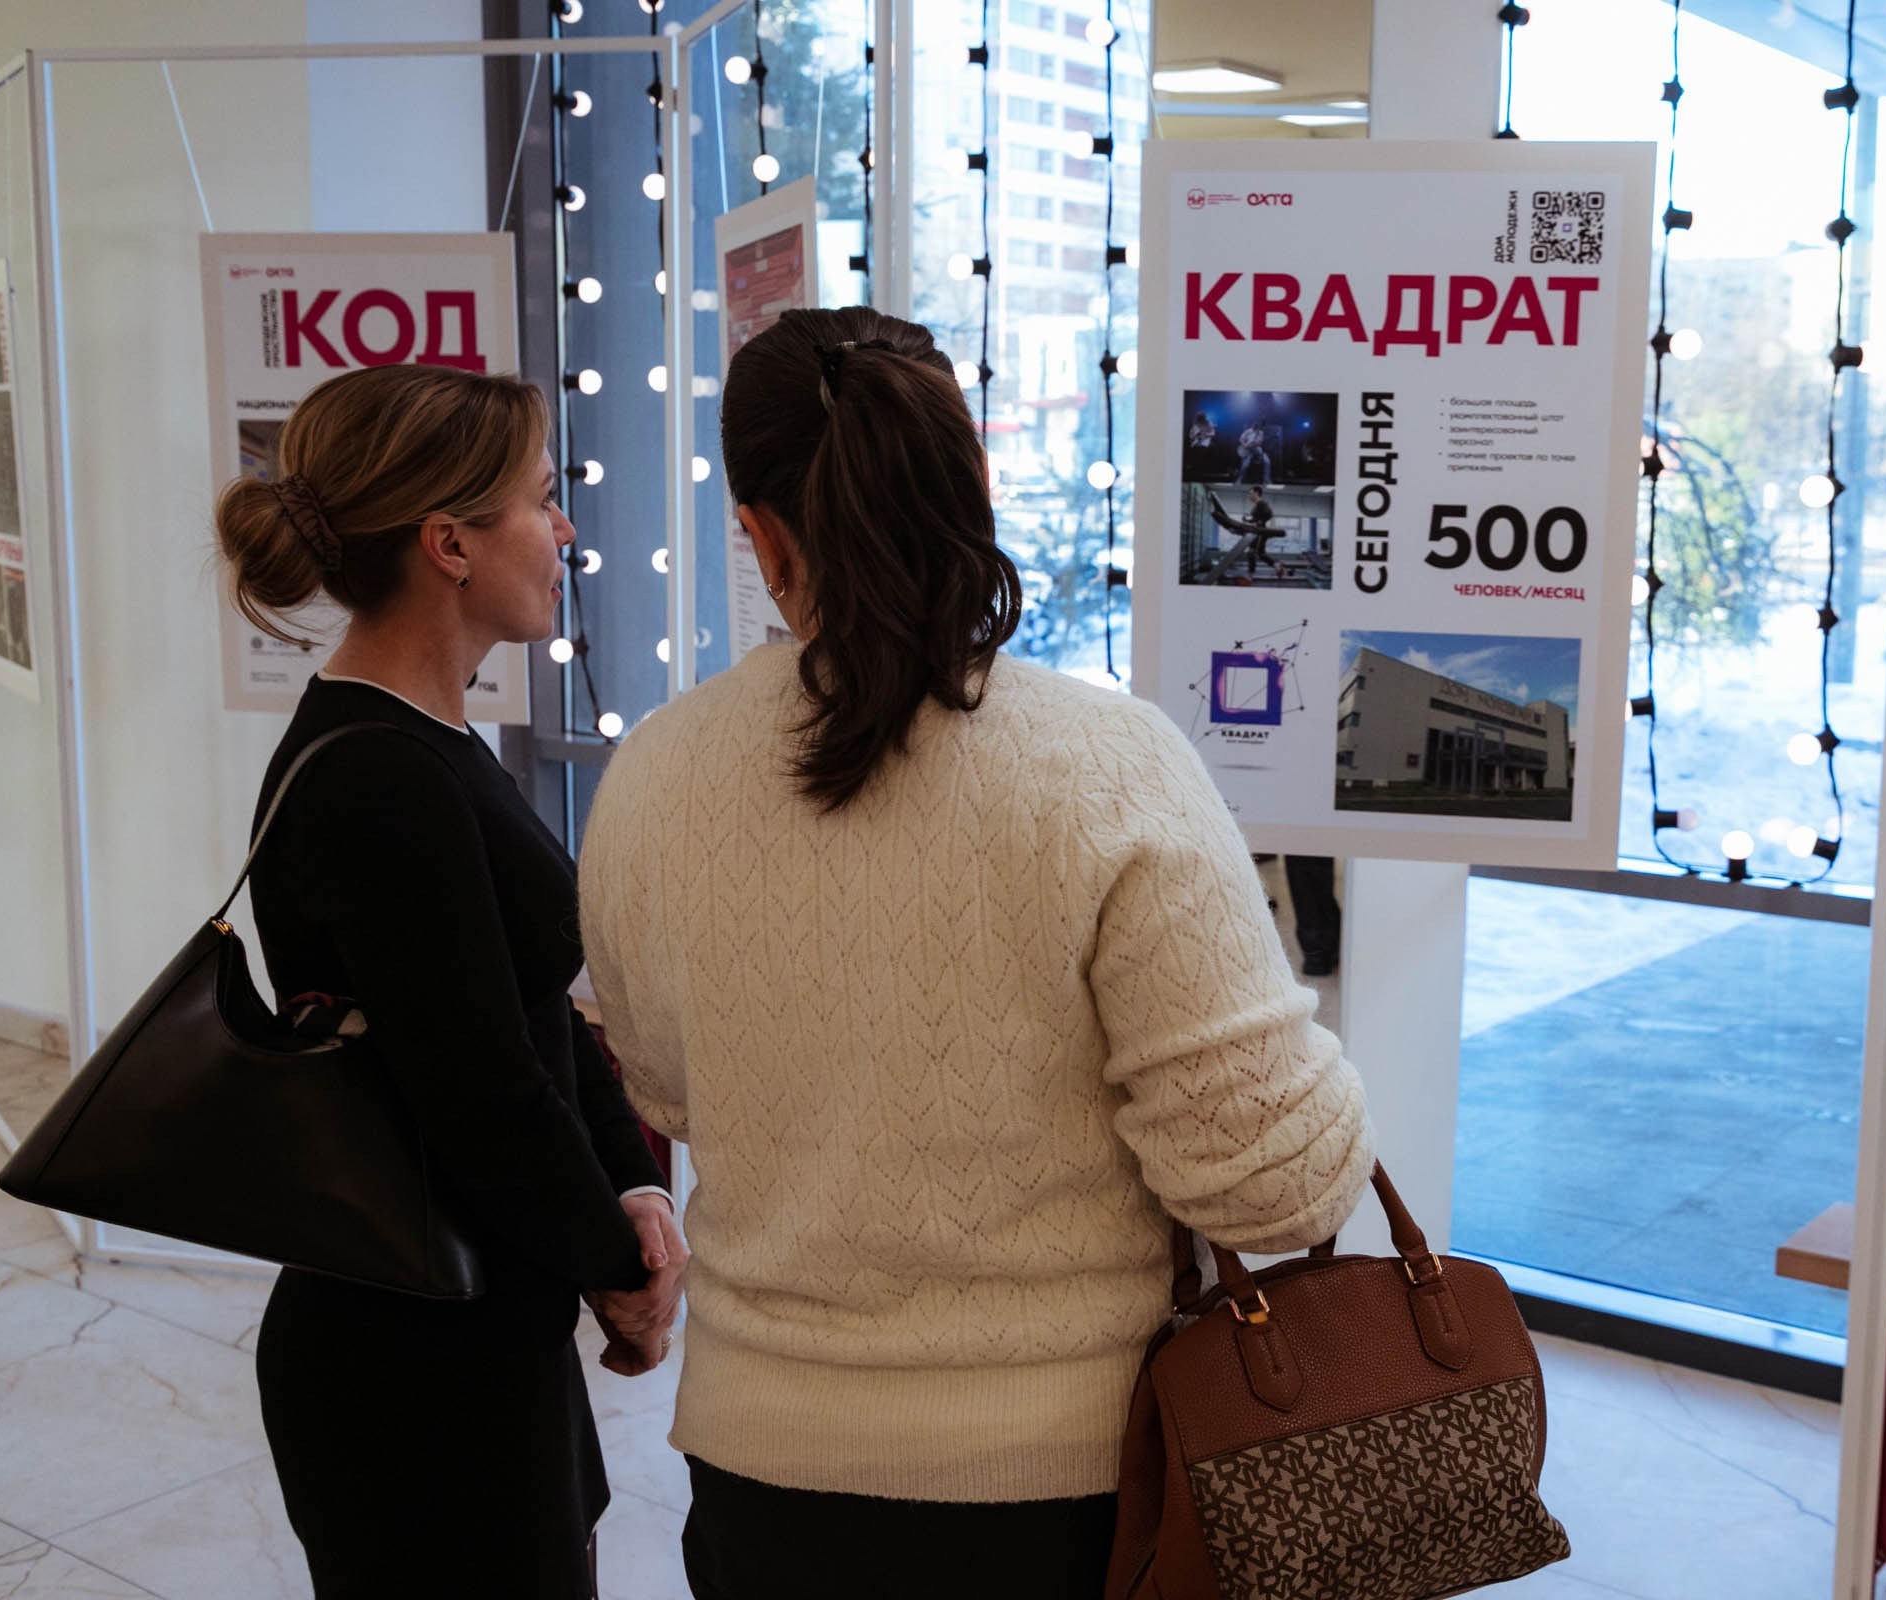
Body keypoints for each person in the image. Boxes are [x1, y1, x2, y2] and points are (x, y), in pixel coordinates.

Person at [579, 306, 1373, 1599]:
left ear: (763, 535)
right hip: (1076, 1495)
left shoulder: (656, 773)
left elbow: (665, 1087)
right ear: (974, 486)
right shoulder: (1112, 766)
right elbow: (1281, 1190)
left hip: (759, 1482)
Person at [214, 363, 687, 1599]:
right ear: (450, 545)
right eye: (542, 498)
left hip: (481, 1330)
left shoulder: (426, 735)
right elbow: (477, 1088)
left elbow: (526, 1011)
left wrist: (632, 1180)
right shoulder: (381, 777)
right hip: (410, 1362)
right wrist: (618, 1269)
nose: (567, 526)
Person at [1233, 417, 1272, 484]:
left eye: (1258, 424)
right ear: (1253, 424)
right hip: (1248, 450)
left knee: (1267, 461)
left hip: (1257, 449)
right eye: (1255, 423)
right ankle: (1239, 479)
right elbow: (1241, 439)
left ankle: (1266, 480)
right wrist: (1245, 445)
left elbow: (1259, 442)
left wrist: (1254, 444)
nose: (1256, 424)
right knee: (1245, 465)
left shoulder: (1261, 432)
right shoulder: (1248, 431)